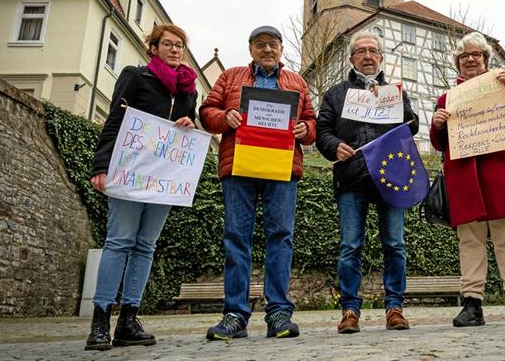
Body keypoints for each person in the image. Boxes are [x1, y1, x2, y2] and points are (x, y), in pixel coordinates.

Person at [199, 25, 317, 340]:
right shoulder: (230, 77)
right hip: (240, 166)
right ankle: (235, 315)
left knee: (281, 236)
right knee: (236, 237)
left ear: (281, 49)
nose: (267, 50)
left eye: (273, 45)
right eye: (261, 45)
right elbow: (207, 112)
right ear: (251, 49)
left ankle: (278, 313)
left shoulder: (297, 82)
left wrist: (306, 129)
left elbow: (312, 122)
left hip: (281, 168)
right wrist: (226, 117)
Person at [86, 24, 198, 351]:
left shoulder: (188, 89)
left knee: (146, 245)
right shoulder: (136, 77)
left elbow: (187, 128)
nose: (174, 50)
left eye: (179, 45)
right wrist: (101, 166)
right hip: (128, 172)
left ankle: (128, 321)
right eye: (167, 44)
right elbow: (114, 122)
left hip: (163, 179)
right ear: (153, 48)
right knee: (119, 241)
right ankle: (100, 321)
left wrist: (190, 123)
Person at [429, 32, 505, 328]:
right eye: (464, 56)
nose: (470, 59)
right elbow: (440, 143)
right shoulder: (447, 98)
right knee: (470, 241)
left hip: (501, 172)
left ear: (485, 60)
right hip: (465, 177)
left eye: (476, 54)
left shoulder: (503, 87)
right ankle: (472, 303)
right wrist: (437, 124)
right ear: (457, 63)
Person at [316, 31, 418, 334]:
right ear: (351, 59)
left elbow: (411, 126)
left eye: (373, 50)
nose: (368, 56)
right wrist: (334, 146)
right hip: (352, 178)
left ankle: (395, 308)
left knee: (395, 245)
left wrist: (398, 107)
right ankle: (349, 310)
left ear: (381, 58)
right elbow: (322, 131)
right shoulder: (336, 93)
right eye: (361, 51)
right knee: (350, 246)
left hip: (390, 176)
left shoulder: (393, 91)